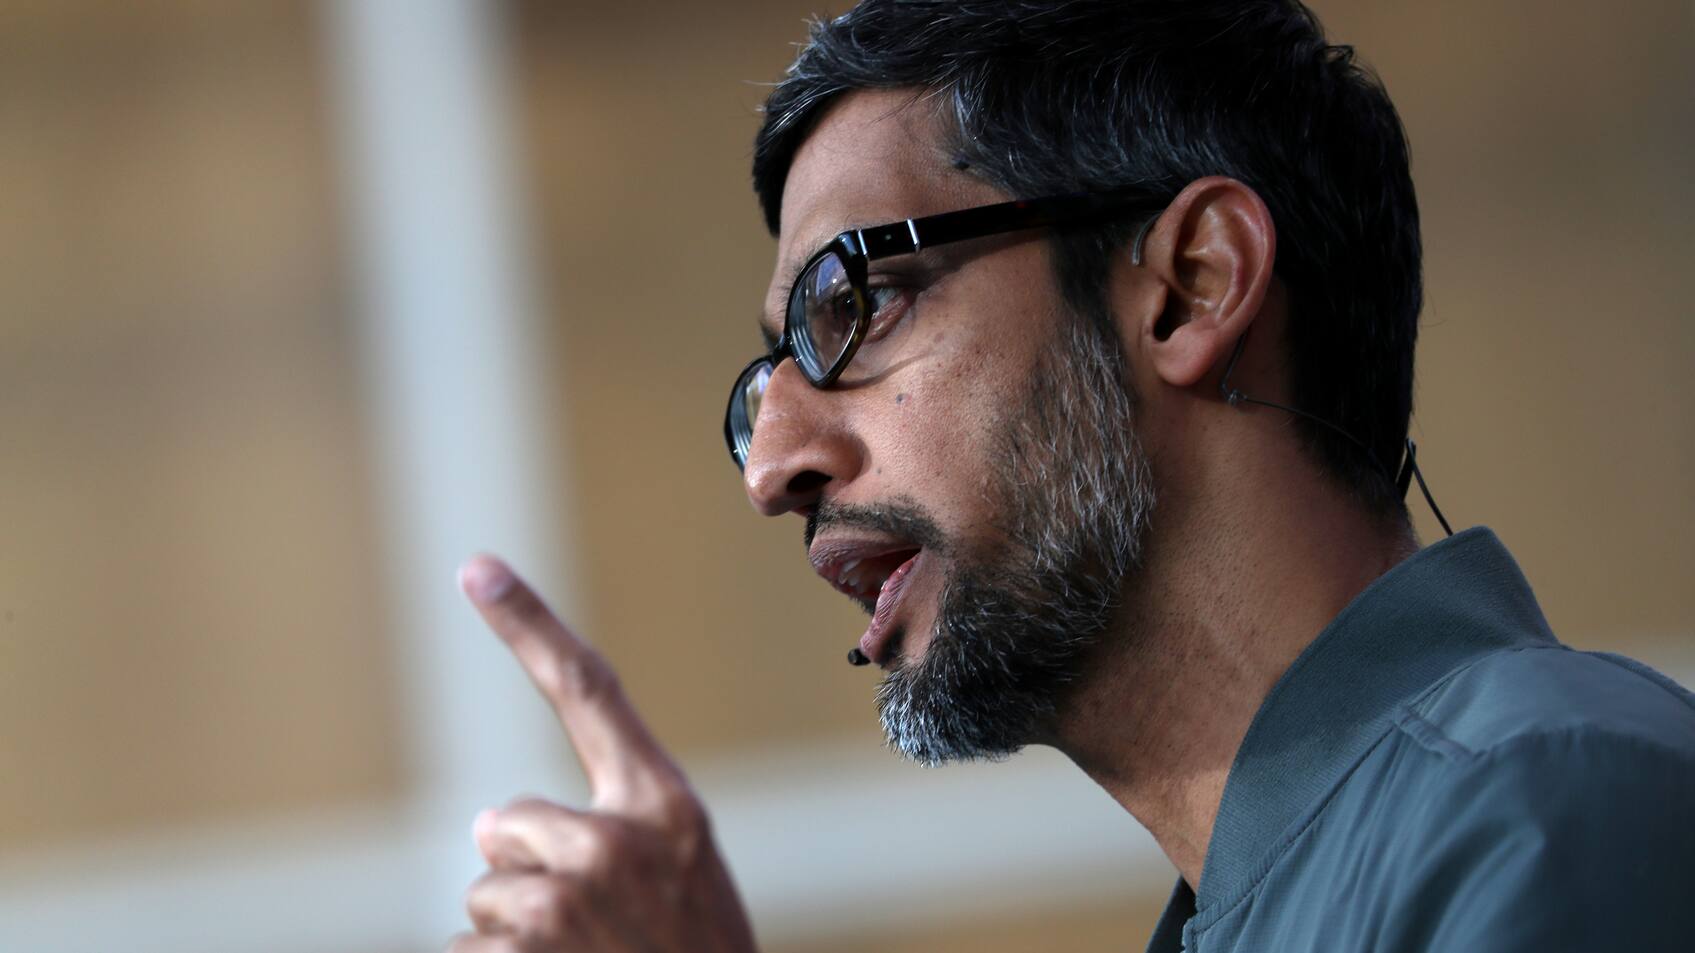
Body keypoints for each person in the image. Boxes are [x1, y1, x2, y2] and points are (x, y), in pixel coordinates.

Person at [446, 2, 1695, 951]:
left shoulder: (1549, 810)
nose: (773, 467)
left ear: (1192, 285)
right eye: (767, 377)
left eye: (853, 304)